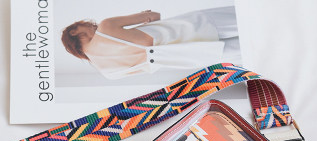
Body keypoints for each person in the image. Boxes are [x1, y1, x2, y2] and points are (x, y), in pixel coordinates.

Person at [61, 7, 240, 79]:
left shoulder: (109, 73)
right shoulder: (106, 27)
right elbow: (153, 16)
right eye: (83, 24)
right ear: (74, 31)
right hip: (195, 27)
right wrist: (145, 16)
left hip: (195, 55)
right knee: (249, 18)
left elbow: (150, 65)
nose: (91, 24)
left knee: (250, 47)